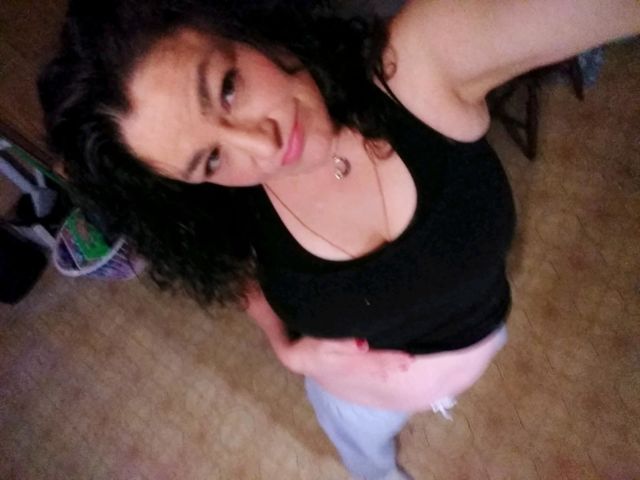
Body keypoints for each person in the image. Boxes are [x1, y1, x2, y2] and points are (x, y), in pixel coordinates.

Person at [38, 1, 640, 479]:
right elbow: (237, 277)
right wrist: (288, 350)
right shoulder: (225, 209)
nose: (263, 147)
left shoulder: (414, 69)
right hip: (357, 400)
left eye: (227, 87)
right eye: (211, 159)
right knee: (368, 464)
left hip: (479, 340)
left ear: (239, 25)